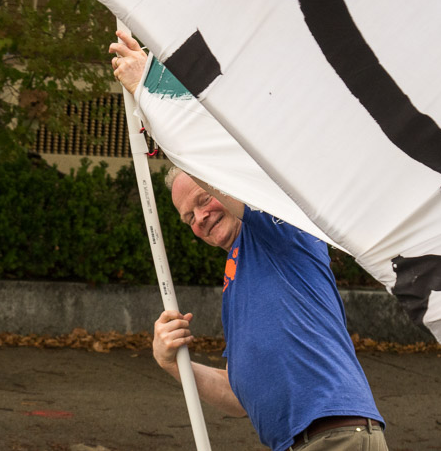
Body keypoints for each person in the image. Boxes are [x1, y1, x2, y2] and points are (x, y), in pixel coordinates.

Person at [109, 33, 388, 451]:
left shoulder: (278, 226)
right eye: (188, 218)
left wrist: (151, 96)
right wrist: (173, 365)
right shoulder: (236, 280)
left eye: (203, 201)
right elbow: (241, 397)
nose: (200, 217)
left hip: (335, 436)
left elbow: (217, 169)